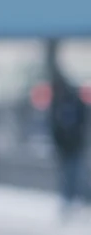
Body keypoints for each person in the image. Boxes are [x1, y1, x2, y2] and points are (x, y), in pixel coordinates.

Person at [49, 73, 88, 217]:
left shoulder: (70, 101)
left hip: (73, 145)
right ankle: (69, 199)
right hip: (66, 146)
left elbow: (81, 121)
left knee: (74, 173)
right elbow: (54, 125)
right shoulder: (58, 102)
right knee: (68, 173)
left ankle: (74, 199)